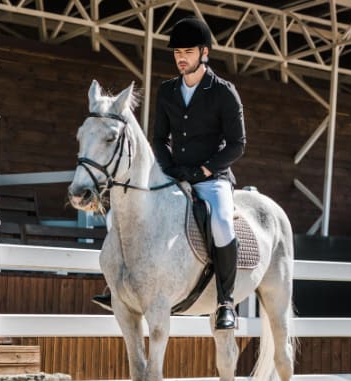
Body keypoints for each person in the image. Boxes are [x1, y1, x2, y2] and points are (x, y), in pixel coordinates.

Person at [92, 17, 246, 330]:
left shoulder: (223, 92)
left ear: (204, 52)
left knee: (221, 223)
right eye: (177, 52)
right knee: (120, 217)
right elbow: (159, 139)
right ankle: (120, 290)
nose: (180, 57)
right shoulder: (167, 91)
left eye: (187, 51)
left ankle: (225, 301)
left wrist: (204, 169)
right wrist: (169, 169)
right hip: (174, 175)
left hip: (212, 178)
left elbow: (237, 144)